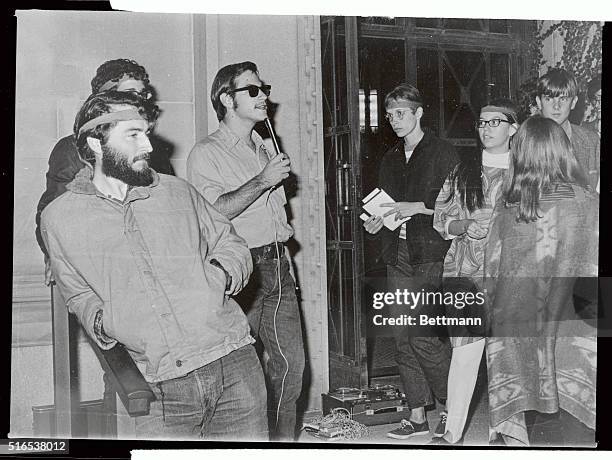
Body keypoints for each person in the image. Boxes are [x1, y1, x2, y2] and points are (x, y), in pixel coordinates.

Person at [40, 90, 267, 440]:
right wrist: (105, 321)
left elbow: (231, 242)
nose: (147, 145)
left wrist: (218, 277)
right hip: (158, 389)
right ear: (95, 143)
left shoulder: (178, 192)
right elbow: (78, 293)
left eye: (146, 132)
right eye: (133, 134)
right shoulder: (59, 219)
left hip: (233, 364)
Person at [186, 61, 304, 441]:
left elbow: (278, 212)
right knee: (243, 374)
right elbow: (212, 212)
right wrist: (262, 180)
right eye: (252, 90)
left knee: (292, 367)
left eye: (264, 88)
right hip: (242, 270)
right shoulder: (207, 152)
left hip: (279, 263)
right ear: (226, 98)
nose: (264, 96)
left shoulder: (265, 146)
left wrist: (285, 254)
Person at [484, 115, 598, 445]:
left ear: (518, 156)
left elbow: (491, 277)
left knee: (527, 433)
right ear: (565, 152)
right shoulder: (591, 205)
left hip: (515, 334)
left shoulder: (507, 210)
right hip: (576, 334)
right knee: (573, 438)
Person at [363, 83, 458, 440]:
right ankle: (418, 416)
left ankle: (453, 408)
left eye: (400, 113)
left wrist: (417, 207)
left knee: (424, 336)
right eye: (389, 115)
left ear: (419, 112)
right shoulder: (389, 158)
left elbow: (460, 207)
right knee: (402, 337)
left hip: (430, 253)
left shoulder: (443, 153)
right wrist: (377, 223)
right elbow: (388, 208)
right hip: (397, 253)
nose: (394, 121)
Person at [35, 58, 174, 283]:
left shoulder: (151, 150)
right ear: (103, 98)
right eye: (130, 93)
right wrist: (54, 254)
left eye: (143, 94)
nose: (141, 100)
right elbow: (51, 214)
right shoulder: (70, 149)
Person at [432, 99, 519, 444]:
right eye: (482, 123)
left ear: (513, 128)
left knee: (506, 354)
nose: (485, 129)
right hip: (464, 273)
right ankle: (452, 432)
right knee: (465, 352)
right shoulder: (463, 170)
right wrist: (463, 224)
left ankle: (502, 430)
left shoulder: (526, 171)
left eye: (494, 122)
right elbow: (441, 219)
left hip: (511, 276)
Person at [536, 68, 599, 191]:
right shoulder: (525, 139)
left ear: (574, 102)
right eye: (549, 99)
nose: (556, 106)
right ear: (539, 102)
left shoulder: (591, 140)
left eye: (563, 99)